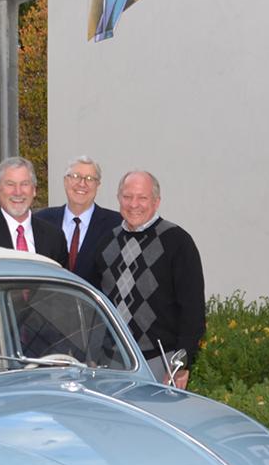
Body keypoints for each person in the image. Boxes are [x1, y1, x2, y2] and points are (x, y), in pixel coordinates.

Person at [98, 171, 205, 389]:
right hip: (111, 362)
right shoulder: (107, 242)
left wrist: (181, 365)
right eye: (127, 197)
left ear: (156, 202)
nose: (134, 204)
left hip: (159, 363)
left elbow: (192, 311)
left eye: (142, 197)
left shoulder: (178, 242)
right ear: (119, 198)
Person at [33, 156, 123, 287]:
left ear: (98, 185)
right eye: (75, 176)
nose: (82, 184)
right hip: (45, 305)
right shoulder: (41, 220)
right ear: (65, 181)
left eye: (90, 179)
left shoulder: (116, 225)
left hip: (94, 305)